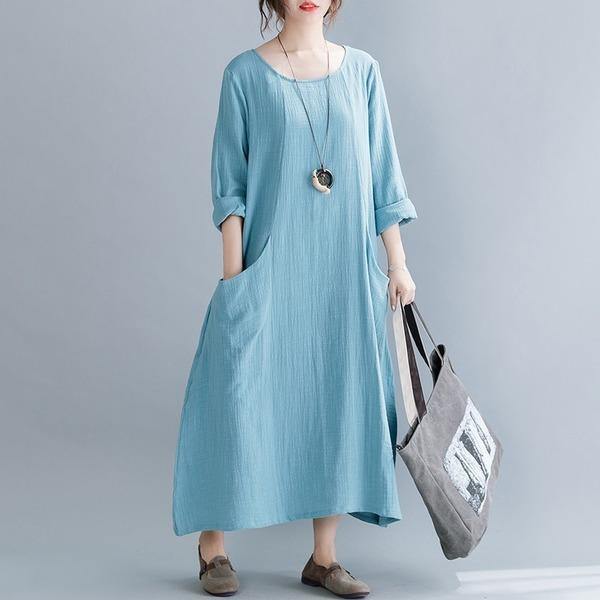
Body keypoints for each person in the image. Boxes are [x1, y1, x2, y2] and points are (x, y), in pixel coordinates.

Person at [172, 1, 418, 596]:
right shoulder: (244, 75)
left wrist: (398, 263)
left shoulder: (363, 71)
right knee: (235, 399)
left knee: (338, 398)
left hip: (344, 272)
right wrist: (235, 278)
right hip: (269, 265)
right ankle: (213, 545)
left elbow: (383, 174)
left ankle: (324, 557)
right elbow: (230, 184)